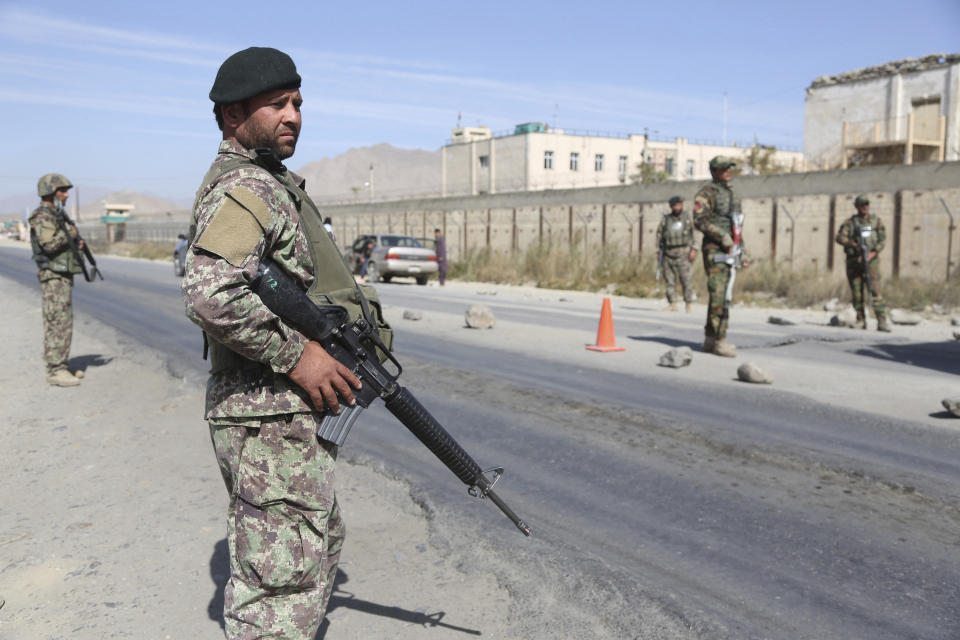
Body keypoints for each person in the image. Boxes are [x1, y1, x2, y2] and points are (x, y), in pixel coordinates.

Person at [181, 47, 390, 639]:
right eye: (276, 104)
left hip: (279, 415)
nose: (293, 114)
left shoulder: (269, 183)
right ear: (232, 116)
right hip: (266, 411)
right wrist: (299, 356)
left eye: (297, 102)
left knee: (310, 551)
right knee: (280, 581)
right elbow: (209, 293)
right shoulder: (247, 189)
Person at [29, 173, 85, 386]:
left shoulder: (55, 214)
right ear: (51, 193)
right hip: (52, 276)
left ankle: (61, 364)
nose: (66, 195)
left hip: (61, 275)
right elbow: (49, 245)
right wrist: (69, 233)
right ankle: (55, 370)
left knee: (63, 321)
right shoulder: (42, 216)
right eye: (62, 191)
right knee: (56, 322)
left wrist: (74, 242)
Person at [693, 156, 747, 357]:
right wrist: (721, 236)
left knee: (725, 294)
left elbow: (737, 226)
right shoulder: (706, 193)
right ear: (714, 172)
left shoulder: (732, 194)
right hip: (715, 249)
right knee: (719, 294)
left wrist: (741, 248)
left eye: (729, 168)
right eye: (724, 169)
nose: (728, 172)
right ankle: (720, 340)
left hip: (731, 249)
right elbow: (699, 220)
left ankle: (710, 339)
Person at [835, 194, 891, 332]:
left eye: (867, 204)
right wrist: (853, 245)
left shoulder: (876, 221)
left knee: (875, 291)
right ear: (857, 206)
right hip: (854, 261)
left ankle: (882, 321)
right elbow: (840, 237)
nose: (865, 207)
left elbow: (882, 240)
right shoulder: (850, 223)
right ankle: (860, 320)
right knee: (857, 293)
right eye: (862, 204)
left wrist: (872, 254)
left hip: (871, 262)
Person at [655, 196, 697, 312]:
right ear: (671, 207)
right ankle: (672, 303)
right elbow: (659, 235)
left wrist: (694, 249)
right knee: (669, 280)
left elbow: (694, 235)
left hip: (683, 253)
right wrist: (658, 251)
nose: (678, 207)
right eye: (675, 205)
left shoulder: (687, 218)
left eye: (679, 205)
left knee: (686, 280)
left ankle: (688, 304)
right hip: (668, 254)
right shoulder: (666, 220)